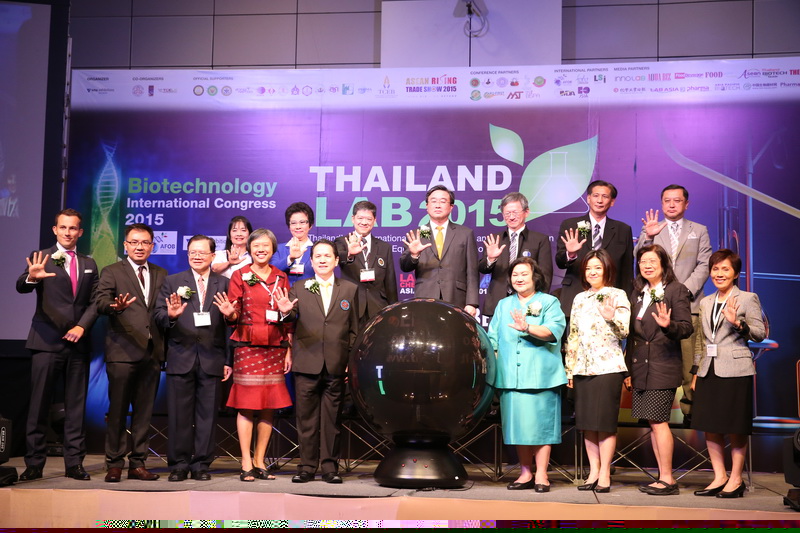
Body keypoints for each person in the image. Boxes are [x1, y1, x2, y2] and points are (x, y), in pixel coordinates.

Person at [15, 208, 99, 481]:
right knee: (39, 405)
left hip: (78, 344)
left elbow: (95, 302)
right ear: (55, 229)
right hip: (46, 340)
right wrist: (31, 277)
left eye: (73, 228)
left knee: (76, 408)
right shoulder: (41, 258)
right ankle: (34, 463)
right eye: (63, 227)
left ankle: (74, 463)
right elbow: (21, 286)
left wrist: (81, 326)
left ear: (80, 232)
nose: (68, 232)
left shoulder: (89, 263)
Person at [275, 239, 359, 484]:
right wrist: (284, 311)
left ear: (336, 260)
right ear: (311, 262)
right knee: (307, 419)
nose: (322, 260)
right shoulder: (299, 287)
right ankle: (307, 466)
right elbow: (290, 318)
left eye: (327, 256)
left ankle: (330, 468)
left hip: (336, 364)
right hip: (306, 362)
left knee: (332, 420)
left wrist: (349, 359)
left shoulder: (350, 289)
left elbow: (354, 329)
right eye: (318, 256)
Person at [213, 228, 293, 482]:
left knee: (269, 406)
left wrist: (288, 347)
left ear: (273, 249)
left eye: (266, 245)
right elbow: (234, 313)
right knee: (246, 406)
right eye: (256, 245)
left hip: (274, 347)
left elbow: (287, 316)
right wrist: (230, 313)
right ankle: (246, 461)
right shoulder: (240, 275)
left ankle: (260, 460)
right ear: (249, 249)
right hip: (248, 346)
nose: (261, 249)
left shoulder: (281, 276)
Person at [154, 235, 232, 482]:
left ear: (213, 256)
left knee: (208, 415)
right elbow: (158, 315)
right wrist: (171, 316)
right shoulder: (173, 281)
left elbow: (231, 325)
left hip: (212, 357)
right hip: (181, 355)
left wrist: (228, 359)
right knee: (179, 415)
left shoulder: (225, 283)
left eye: (202, 252)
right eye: (192, 252)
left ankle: (201, 464)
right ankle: (179, 464)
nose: (197, 256)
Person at [487, 257, 567, 493]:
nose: (519, 278)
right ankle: (525, 473)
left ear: (535, 277)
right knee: (518, 427)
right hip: (511, 376)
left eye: (524, 274)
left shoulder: (549, 302)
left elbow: (553, 331)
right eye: (515, 275)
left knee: (542, 427)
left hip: (542, 376)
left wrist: (527, 328)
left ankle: (542, 474)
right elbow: (493, 337)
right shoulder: (504, 305)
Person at [95, 223, 167, 483]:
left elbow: (160, 312)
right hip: (122, 352)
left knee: (144, 413)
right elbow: (100, 302)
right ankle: (114, 463)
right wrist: (115, 306)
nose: (139, 247)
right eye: (134, 242)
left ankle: (138, 463)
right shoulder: (112, 271)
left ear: (152, 246)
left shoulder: (161, 273)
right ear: (125, 245)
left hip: (152, 352)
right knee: (117, 411)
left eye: (145, 242)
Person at [691, 249, 765, 499]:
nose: (719, 274)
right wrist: (696, 372)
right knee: (710, 425)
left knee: (736, 426)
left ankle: (735, 479)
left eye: (725, 269)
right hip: (708, 370)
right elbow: (701, 340)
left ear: (735, 274)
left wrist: (738, 324)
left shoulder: (747, 298)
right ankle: (719, 476)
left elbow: (759, 333)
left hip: (736, 369)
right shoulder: (705, 302)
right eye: (715, 269)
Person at [635, 184, 711, 426]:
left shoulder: (699, 230)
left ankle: (690, 411)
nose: (671, 204)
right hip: (654, 305)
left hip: (689, 303)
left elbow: (705, 264)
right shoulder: (651, 229)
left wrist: (682, 291)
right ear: (661, 203)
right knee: (653, 354)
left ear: (686, 204)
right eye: (667, 200)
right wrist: (649, 236)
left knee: (689, 362)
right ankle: (648, 411)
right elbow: (639, 257)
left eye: (677, 200)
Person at [624, 244, 693, 496]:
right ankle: (662, 476)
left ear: (663, 264)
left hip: (663, 365)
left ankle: (668, 479)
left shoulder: (676, 290)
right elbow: (632, 336)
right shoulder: (637, 292)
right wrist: (628, 370)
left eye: (652, 261)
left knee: (659, 421)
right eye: (643, 261)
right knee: (653, 423)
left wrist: (668, 325)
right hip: (640, 367)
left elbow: (686, 328)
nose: (647, 265)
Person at [565, 249, 630, 493]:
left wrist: (611, 317)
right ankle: (593, 471)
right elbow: (573, 336)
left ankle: (605, 473)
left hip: (608, 367)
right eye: (588, 268)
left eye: (597, 268)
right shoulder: (579, 298)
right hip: (582, 368)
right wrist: (570, 369)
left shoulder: (618, 294)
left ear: (606, 270)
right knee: (587, 424)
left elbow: (624, 331)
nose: (592, 272)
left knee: (604, 424)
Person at [556, 180, 634, 319]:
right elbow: (560, 262)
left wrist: (626, 303)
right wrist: (571, 254)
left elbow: (627, 270)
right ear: (588, 198)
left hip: (610, 299)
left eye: (605, 196)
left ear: (612, 201)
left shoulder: (623, 230)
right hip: (575, 293)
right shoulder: (570, 225)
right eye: (596, 195)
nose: (599, 200)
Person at [400, 185, 479, 316]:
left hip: (456, 297)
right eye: (433, 201)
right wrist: (414, 255)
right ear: (427, 206)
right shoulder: (419, 234)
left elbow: (472, 272)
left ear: (451, 207)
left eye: (443, 201)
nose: (438, 205)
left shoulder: (464, 234)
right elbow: (405, 267)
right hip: (425, 297)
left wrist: (472, 303)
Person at [479, 192, 552, 318]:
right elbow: (482, 269)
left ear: (526, 212)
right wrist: (490, 259)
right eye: (507, 213)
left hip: (529, 302)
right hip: (498, 302)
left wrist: (538, 302)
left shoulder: (540, 240)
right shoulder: (495, 239)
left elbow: (545, 274)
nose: (511, 217)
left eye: (515, 212)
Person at [334, 200, 398, 326]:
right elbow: (338, 258)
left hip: (378, 307)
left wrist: (394, 309)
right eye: (360, 218)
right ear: (353, 219)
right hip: (352, 306)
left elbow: (390, 282)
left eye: (369, 219)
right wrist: (350, 254)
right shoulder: (342, 242)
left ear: (374, 221)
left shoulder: (384, 247)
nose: (364, 222)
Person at [271, 202, 316, 285]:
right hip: (283, 292)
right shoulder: (278, 249)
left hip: (309, 292)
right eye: (293, 223)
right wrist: (290, 259)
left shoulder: (316, 250)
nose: (298, 227)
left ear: (310, 225)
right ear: (289, 226)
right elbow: (271, 270)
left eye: (302, 222)